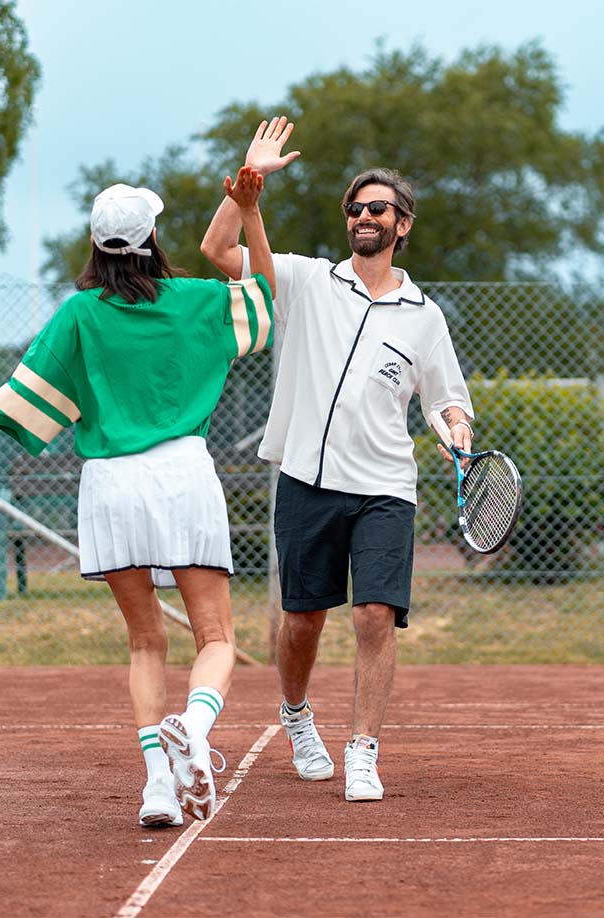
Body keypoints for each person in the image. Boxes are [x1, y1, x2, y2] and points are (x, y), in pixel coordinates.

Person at [0, 167, 277, 826]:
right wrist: (247, 211)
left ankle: (158, 784)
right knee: (215, 636)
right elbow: (267, 297)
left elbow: (12, 399)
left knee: (144, 642)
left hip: (110, 486)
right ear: (153, 236)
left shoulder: (79, 313)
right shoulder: (196, 300)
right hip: (184, 474)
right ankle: (192, 725)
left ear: (97, 244)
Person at [201, 117, 475, 802]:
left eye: (376, 208)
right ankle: (296, 717)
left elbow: (449, 399)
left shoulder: (424, 316)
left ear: (402, 224)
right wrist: (247, 185)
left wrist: (457, 429)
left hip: (385, 486)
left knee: (374, 615)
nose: (362, 216)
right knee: (302, 622)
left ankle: (363, 750)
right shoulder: (305, 281)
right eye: (354, 208)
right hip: (306, 482)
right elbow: (217, 247)